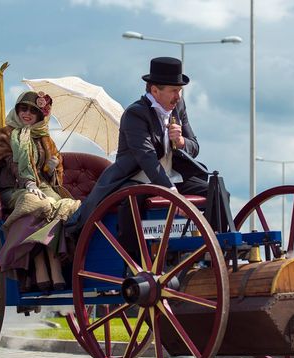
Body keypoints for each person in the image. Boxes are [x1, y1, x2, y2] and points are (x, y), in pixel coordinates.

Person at [66, 57, 209, 258]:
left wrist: (182, 142)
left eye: (180, 90)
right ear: (154, 91)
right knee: (131, 200)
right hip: (135, 177)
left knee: (215, 190)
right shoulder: (135, 114)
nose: (178, 95)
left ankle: (215, 246)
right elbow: (147, 158)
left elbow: (194, 147)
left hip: (169, 177)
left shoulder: (178, 106)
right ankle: (133, 261)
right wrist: (172, 194)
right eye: (174, 90)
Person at [0, 90, 81, 291]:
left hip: (44, 187)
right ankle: (40, 265)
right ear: (17, 110)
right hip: (14, 188)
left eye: (33, 111)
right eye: (23, 109)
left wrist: (52, 166)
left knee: (64, 207)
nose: (27, 114)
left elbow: (53, 173)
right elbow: (8, 164)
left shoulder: (45, 138)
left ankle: (54, 262)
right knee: (38, 203)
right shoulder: (5, 134)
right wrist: (28, 183)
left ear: (40, 116)